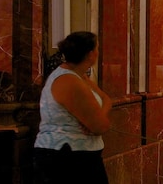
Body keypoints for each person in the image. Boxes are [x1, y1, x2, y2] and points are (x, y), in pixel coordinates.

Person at [33, 31, 111, 184]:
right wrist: (97, 121)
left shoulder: (80, 76)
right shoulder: (68, 80)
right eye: (97, 48)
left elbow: (106, 100)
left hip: (83, 155)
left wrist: (98, 116)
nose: (98, 52)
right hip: (65, 158)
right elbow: (101, 126)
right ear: (90, 54)